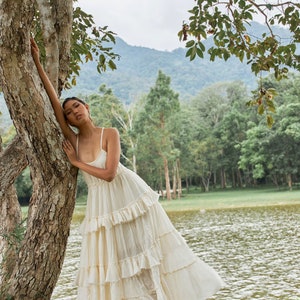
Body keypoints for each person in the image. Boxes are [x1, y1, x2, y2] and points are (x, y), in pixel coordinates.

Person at [31, 38, 224, 299]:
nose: (73, 111)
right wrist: (37, 63)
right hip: (102, 206)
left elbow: (110, 174)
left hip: (128, 196)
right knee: (115, 263)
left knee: (145, 255)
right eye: (68, 112)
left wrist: (77, 163)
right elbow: (53, 104)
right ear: (67, 121)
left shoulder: (109, 133)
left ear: (87, 107)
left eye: (77, 105)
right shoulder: (74, 141)